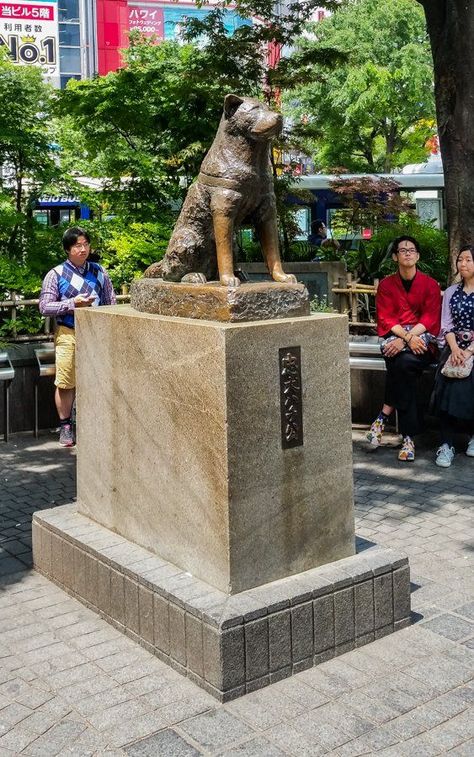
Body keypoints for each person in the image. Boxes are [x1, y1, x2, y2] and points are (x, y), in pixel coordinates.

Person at [366, 236, 441, 461]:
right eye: (402, 250)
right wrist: (405, 338)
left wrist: (407, 339)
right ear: (395, 257)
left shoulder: (430, 284)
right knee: (401, 363)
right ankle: (408, 437)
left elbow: (430, 318)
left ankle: (383, 416)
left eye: (411, 250)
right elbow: (386, 318)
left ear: (417, 256)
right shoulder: (387, 285)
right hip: (397, 340)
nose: (407, 253)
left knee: (401, 363)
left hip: (423, 342)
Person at [39, 227, 116, 447]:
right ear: (67, 249)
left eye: (85, 244)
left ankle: (94, 423)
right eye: (77, 246)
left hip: (97, 334)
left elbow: (110, 301)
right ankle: (65, 426)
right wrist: (72, 304)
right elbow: (44, 306)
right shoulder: (55, 274)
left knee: (98, 379)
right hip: (68, 332)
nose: (83, 249)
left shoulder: (99, 271)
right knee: (66, 381)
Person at [432, 245, 474, 467]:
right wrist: (456, 349)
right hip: (453, 348)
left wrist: (468, 351)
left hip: (473, 349)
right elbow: (445, 325)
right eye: (460, 260)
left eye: (468, 260)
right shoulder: (450, 292)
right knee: (445, 389)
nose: (463, 264)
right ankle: (446, 444)